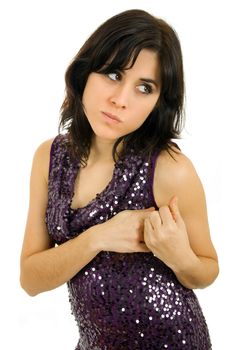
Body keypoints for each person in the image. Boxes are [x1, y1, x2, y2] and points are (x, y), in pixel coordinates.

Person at [20, 9, 219, 350]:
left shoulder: (171, 170)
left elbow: (207, 269)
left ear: (158, 102)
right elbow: (30, 279)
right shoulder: (48, 158)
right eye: (113, 74)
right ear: (85, 71)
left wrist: (178, 256)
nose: (121, 100)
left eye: (144, 87)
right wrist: (98, 237)